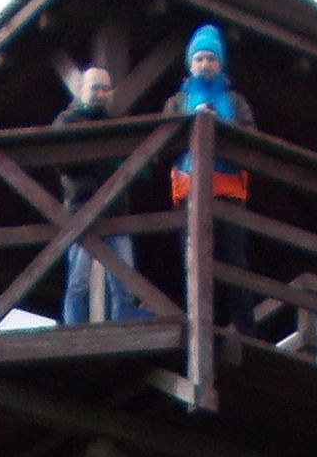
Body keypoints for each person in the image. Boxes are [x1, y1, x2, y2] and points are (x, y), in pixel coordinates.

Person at [162, 24, 264, 335]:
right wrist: (190, 124)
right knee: (193, 258)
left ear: (220, 64)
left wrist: (221, 126)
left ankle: (245, 329)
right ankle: (198, 325)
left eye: (211, 59)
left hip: (228, 190)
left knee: (234, 260)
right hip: (191, 190)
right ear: (190, 64)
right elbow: (162, 143)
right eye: (199, 59)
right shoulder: (178, 102)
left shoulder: (234, 102)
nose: (205, 64)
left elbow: (253, 140)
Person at [55, 67, 143, 326]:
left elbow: (137, 165)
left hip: (115, 210)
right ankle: (74, 337)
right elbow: (63, 163)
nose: (100, 93)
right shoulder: (66, 122)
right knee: (78, 283)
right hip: (81, 209)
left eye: (105, 88)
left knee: (124, 283)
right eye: (95, 87)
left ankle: (122, 331)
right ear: (82, 89)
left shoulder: (115, 124)